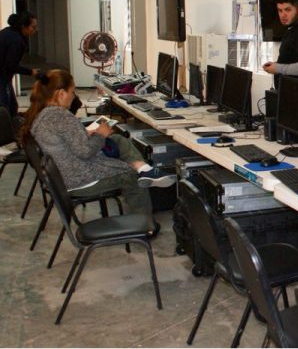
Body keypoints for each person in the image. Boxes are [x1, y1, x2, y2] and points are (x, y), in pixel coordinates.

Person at [20, 69, 175, 217]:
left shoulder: (42, 115)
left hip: (66, 176)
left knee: (116, 139)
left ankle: (144, 168)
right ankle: (144, 224)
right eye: (72, 91)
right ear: (61, 94)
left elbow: (66, 141)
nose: (74, 96)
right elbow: (85, 152)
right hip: (79, 179)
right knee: (130, 176)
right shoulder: (61, 116)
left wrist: (85, 133)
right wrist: (100, 135)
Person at [0, 11, 39, 116]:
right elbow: (10, 65)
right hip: (2, 78)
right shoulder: (16, 40)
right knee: (5, 110)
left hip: (4, 78)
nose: (36, 30)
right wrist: (31, 72)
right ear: (23, 26)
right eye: (33, 27)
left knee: (12, 108)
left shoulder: (7, 32)